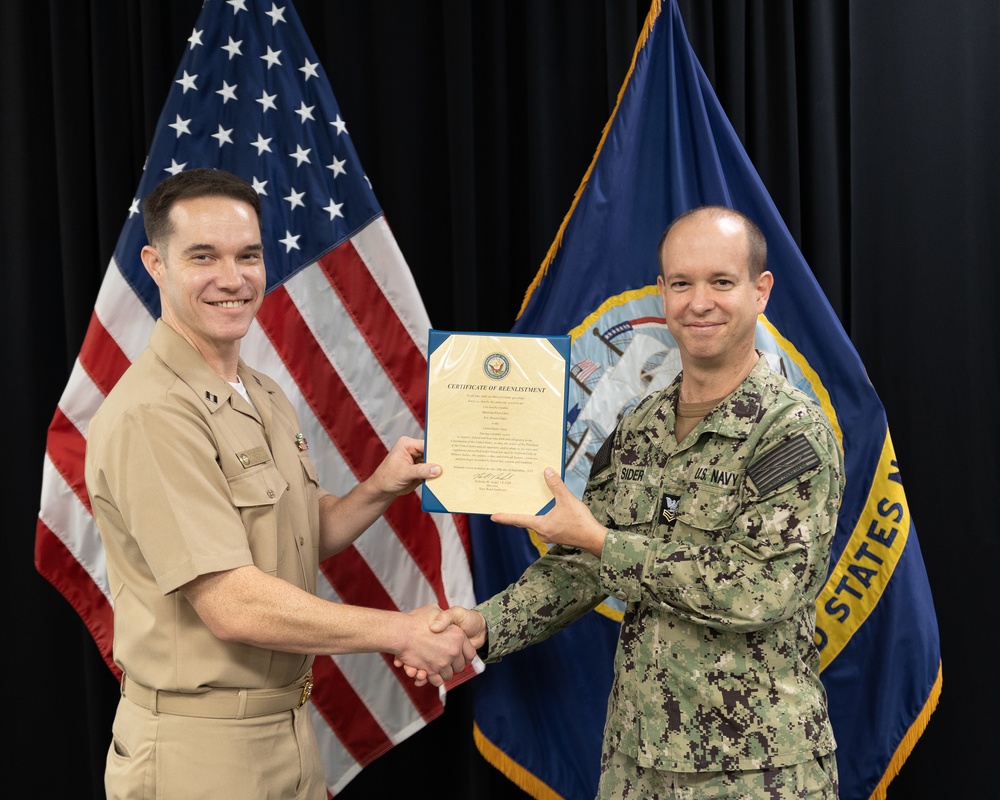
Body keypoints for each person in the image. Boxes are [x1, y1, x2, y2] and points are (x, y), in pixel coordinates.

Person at [409, 206, 845, 799]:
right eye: (682, 283)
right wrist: (485, 626)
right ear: (662, 293)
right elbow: (584, 565)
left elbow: (760, 589)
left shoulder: (790, 433)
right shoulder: (640, 425)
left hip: (753, 769)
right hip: (636, 761)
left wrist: (603, 540)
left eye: (721, 282)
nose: (700, 302)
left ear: (760, 290)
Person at [84, 168, 475, 800]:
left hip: (287, 730)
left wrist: (378, 487)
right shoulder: (152, 414)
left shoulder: (262, 394)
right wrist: (401, 632)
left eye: (248, 255)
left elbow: (296, 535)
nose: (232, 279)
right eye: (203, 256)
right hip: (199, 753)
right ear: (155, 264)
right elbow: (233, 603)